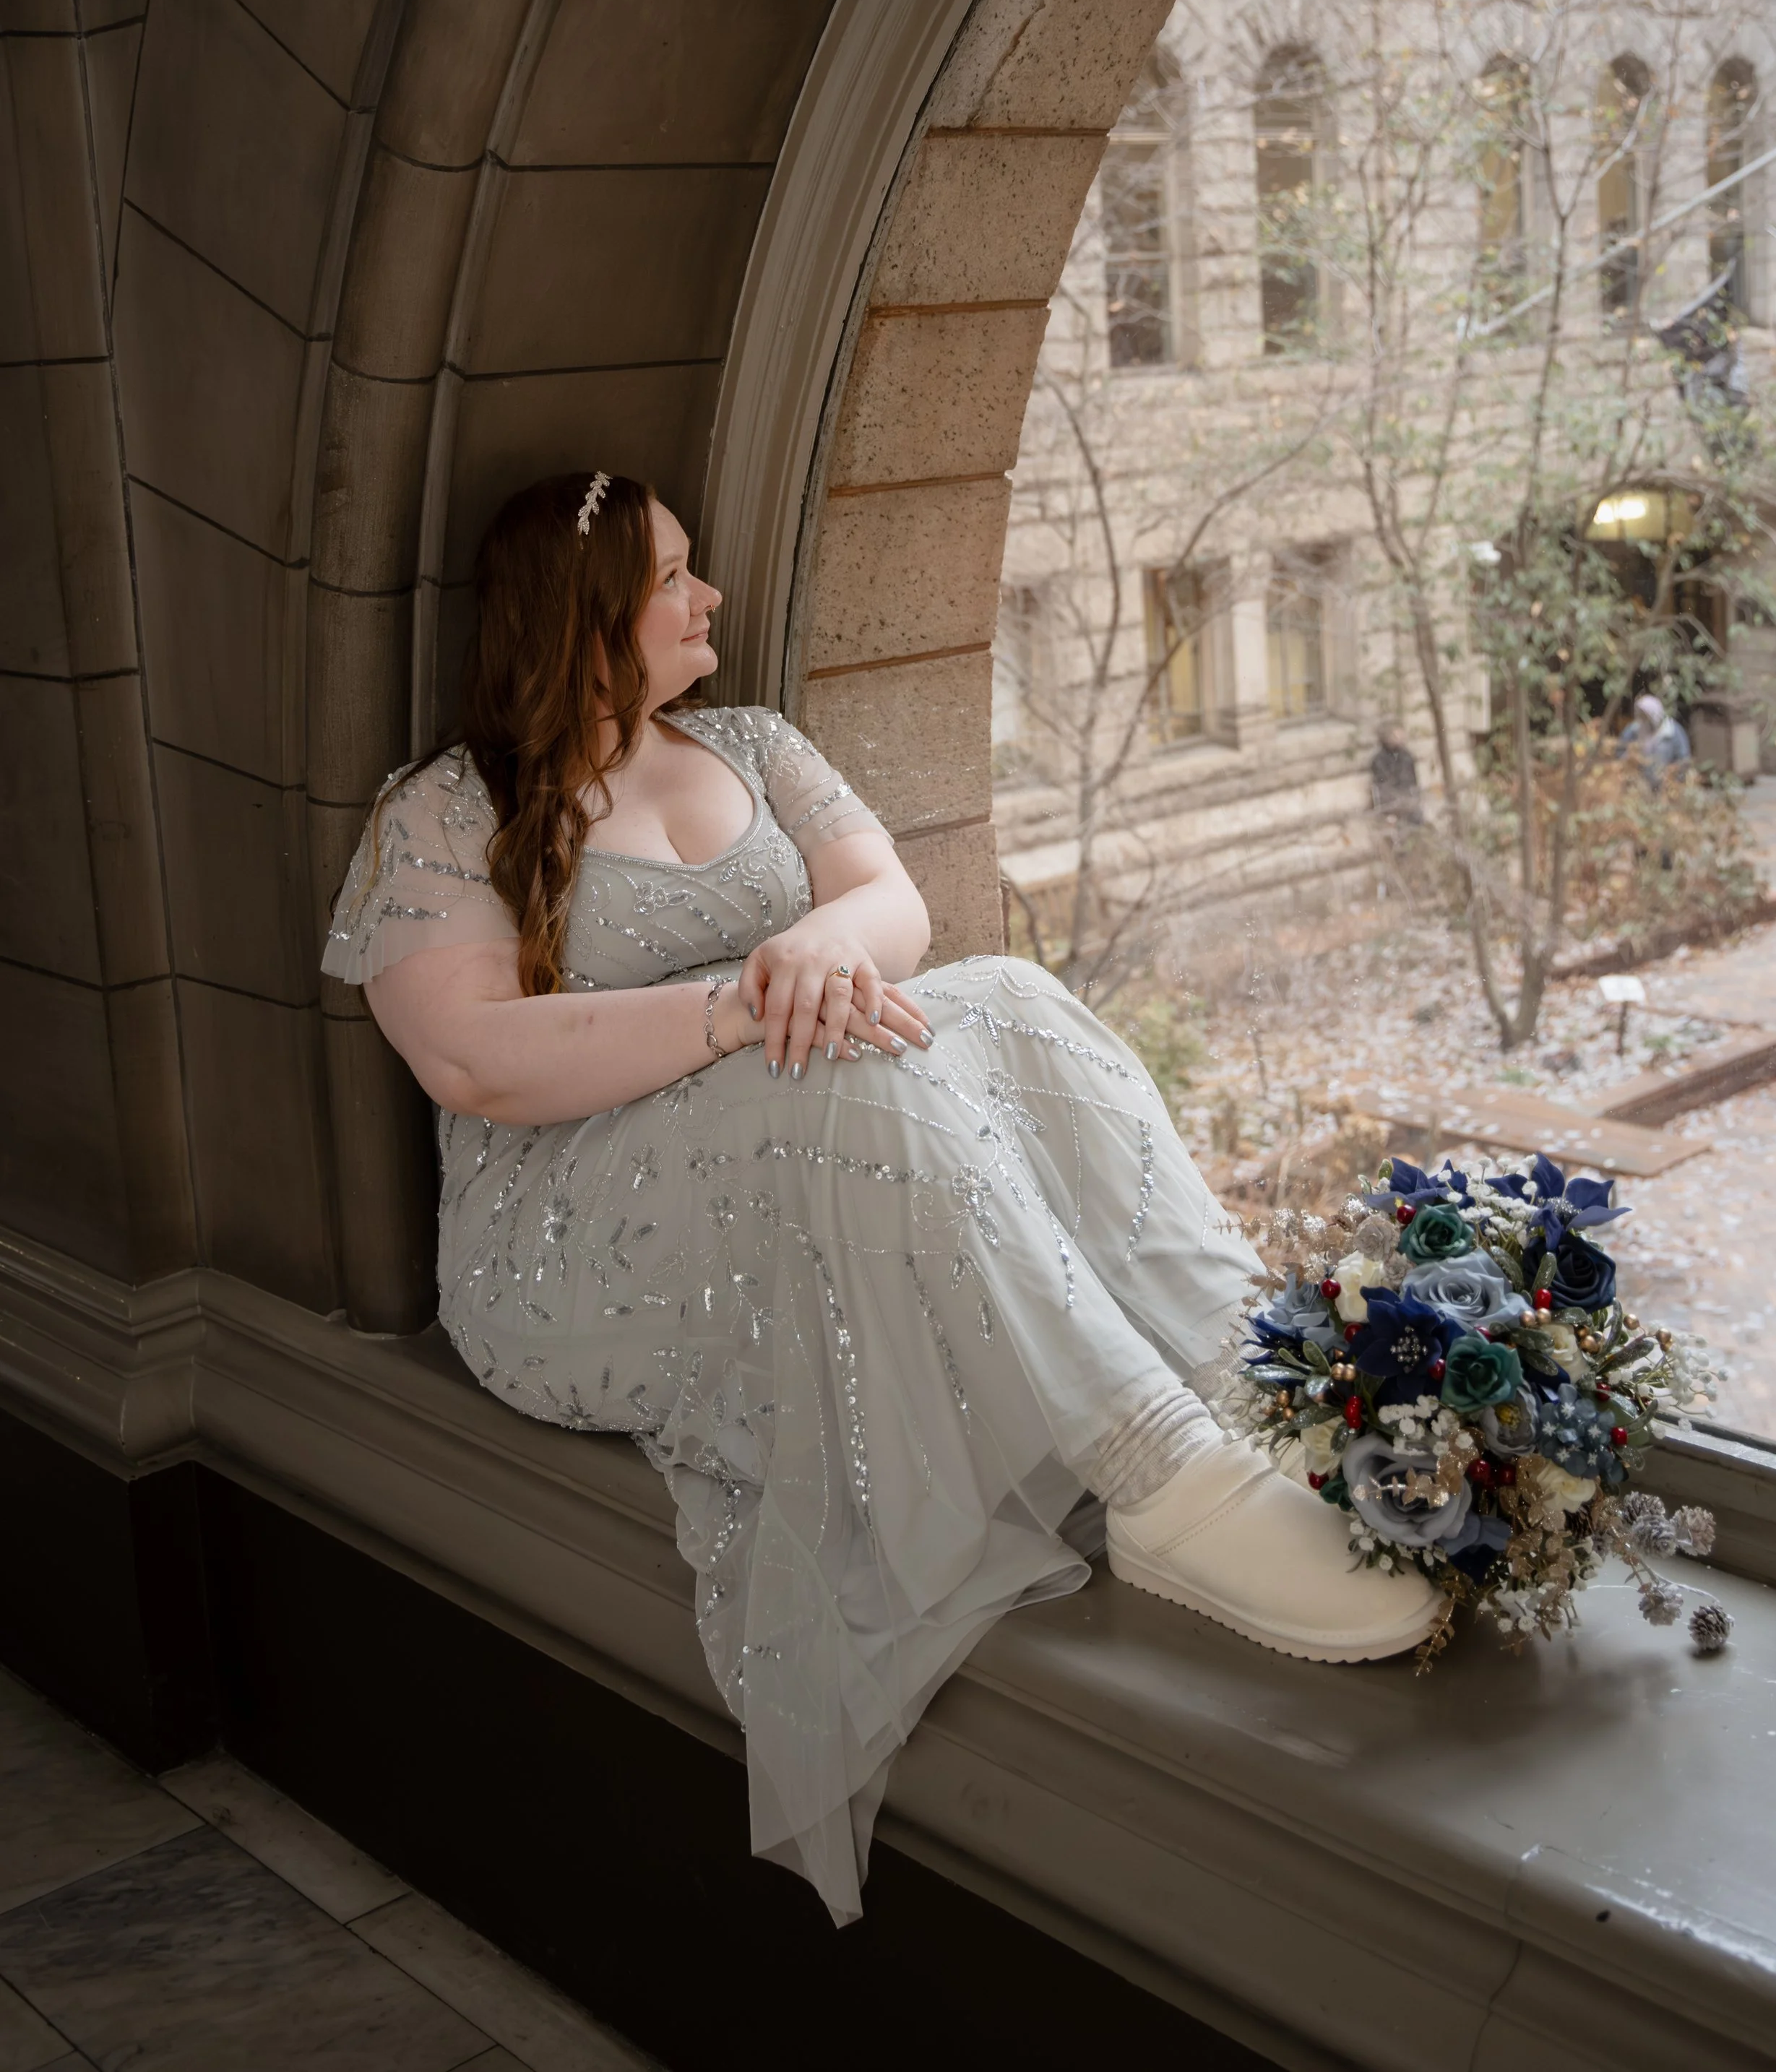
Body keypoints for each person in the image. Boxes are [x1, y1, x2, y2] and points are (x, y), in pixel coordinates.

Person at [324, 472, 1444, 1925]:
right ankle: (1157, 1483)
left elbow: (891, 907)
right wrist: (737, 1007)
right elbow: (467, 1060)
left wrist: (814, 953)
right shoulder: (448, 808)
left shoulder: (753, 745)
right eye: (672, 578)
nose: (706, 597)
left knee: (1007, 998)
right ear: (583, 616)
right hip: (574, 1232)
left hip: (782, 1119)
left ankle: (1250, 1388)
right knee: (841, 1078)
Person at [1618, 691, 1691, 787]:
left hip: (1666, 785)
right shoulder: (1634, 730)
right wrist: (1630, 758)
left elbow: (1684, 760)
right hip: (1639, 785)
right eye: (1641, 715)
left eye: (1646, 716)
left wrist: (1673, 775)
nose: (1644, 720)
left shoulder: (1672, 731)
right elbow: (1620, 751)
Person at [1369, 719, 1424, 828]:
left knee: (1417, 817)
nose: (1400, 738)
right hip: (1391, 799)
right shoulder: (1379, 759)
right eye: (1396, 735)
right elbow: (1382, 784)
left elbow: (1413, 780)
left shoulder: (1407, 756)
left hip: (1408, 797)